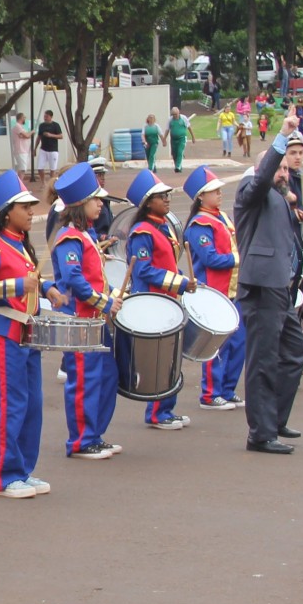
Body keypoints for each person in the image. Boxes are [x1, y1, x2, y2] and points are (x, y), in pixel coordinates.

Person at [0, 171, 70, 494]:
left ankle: (23, 469)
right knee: (12, 406)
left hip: (26, 334)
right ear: (8, 211)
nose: (32, 212)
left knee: (33, 406)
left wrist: (48, 288)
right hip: (2, 334)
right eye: (25, 207)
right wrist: (17, 285)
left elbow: (30, 278)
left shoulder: (20, 245)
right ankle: (6, 476)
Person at [233, 116, 303, 454]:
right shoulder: (252, 191)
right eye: (278, 169)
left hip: (283, 287)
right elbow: (264, 178)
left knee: (294, 352)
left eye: (285, 171)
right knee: (263, 359)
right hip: (262, 286)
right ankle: (260, 434)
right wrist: (282, 137)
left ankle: (274, 420)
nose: (283, 174)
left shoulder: (281, 198)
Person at [48, 162, 119, 458]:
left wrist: (110, 296)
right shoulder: (69, 236)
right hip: (79, 319)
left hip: (93, 319)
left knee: (103, 379)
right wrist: (105, 302)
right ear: (79, 204)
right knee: (82, 381)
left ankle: (94, 434)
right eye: (95, 199)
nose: (101, 204)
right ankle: (80, 441)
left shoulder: (86, 233)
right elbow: (74, 278)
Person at [124, 170, 195, 430]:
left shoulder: (162, 226)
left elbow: (167, 264)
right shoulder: (142, 231)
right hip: (153, 301)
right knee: (160, 358)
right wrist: (179, 282)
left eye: (166, 195)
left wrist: (183, 280)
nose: (167, 199)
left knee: (171, 356)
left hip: (168, 298)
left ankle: (166, 409)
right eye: (160, 196)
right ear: (147, 202)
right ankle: (157, 413)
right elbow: (143, 270)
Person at [183, 167, 243, 411]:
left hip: (232, 290)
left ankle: (227, 390)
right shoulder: (199, 224)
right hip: (214, 293)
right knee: (216, 347)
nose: (219, 193)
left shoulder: (221, 216)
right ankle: (210, 394)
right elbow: (210, 259)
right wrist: (239, 258)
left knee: (238, 343)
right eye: (213, 191)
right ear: (200, 196)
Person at [35, 110, 63, 182]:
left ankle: (51, 183)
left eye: (47, 116)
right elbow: (39, 137)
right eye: (44, 116)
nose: (45, 118)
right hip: (43, 149)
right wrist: (35, 148)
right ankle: (43, 183)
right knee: (40, 167)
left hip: (53, 149)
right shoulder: (42, 125)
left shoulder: (55, 125)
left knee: (52, 169)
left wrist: (50, 135)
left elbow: (60, 136)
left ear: (51, 117)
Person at [166, 108, 189, 173]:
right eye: (173, 114)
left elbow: (189, 127)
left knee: (180, 151)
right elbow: (167, 130)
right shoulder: (170, 120)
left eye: (175, 114)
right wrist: (164, 139)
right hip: (173, 139)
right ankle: (178, 166)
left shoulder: (183, 118)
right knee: (174, 153)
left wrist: (193, 137)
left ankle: (177, 166)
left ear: (178, 113)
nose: (174, 116)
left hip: (182, 138)